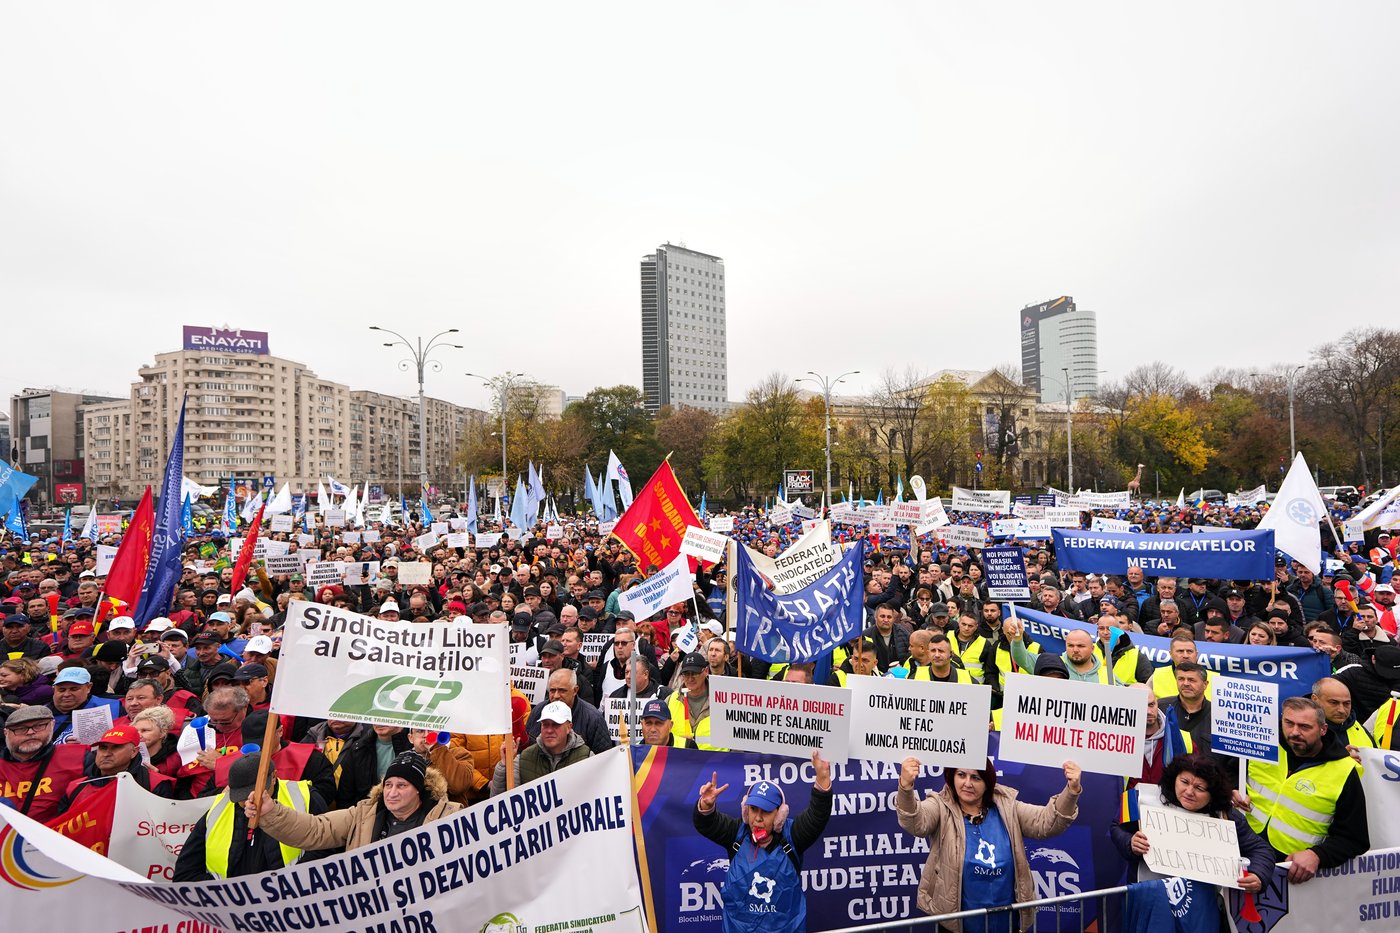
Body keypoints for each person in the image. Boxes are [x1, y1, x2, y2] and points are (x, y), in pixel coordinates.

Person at [896, 755, 1081, 932]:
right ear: (952, 777)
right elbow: (916, 823)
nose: (967, 783)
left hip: (1007, 923)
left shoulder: (1008, 807)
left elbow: (1047, 823)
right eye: (961, 775)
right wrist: (906, 787)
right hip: (957, 926)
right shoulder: (940, 805)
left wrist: (1071, 791)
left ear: (987, 783)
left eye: (975, 777)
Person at [1112, 753, 1273, 930]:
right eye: (1184, 782)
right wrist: (1130, 843)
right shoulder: (1140, 799)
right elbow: (1116, 827)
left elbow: (1260, 849)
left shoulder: (1226, 815)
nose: (1189, 792)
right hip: (1150, 901)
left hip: (1201, 909)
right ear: (1174, 778)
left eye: (1200, 788)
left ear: (1213, 794)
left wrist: (1258, 874)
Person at [693, 751, 833, 933]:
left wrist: (822, 778)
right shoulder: (737, 833)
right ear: (745, 810)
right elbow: (707, 823)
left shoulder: (793, 836)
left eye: (765, 811)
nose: (757, 818)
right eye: (753, 809)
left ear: (779, 815)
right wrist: (706, 805)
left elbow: (818, 815)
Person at [1235, 696, 1369, 882]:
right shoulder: (1263, 745)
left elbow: (1354, 839)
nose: (1294, 732)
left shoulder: (1344, 770)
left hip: (1290, 871)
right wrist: (1231, 790)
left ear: (1323, 729)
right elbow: (1226, 774)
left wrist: (1318, 855)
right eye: (1288, 723)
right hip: (1241, 852)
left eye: (1305, 727)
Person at [247, 750, 460, 851]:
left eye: (402, 786)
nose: (392, 792)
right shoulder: (363, 813)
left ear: (419, 791)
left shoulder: (450, 817)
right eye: (388, 784)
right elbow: (315, 829)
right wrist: (270, 811)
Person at [173, 752, 318, 881]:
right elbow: (185, 874)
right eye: (241, 796)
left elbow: (327, 850)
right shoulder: (217, 809)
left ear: (274, 777)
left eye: (256, 792)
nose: (249, 799)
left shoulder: (304, 796)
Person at [0, 705, 88, 821]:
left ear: (52, 725)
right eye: (20, 728)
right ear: (6, 733)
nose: (30, 732)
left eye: (39, 726)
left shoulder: (79, 756)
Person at [490, 700, 592, 793]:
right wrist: (504, 765)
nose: (549, 730)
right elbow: (501, 804)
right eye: (545, 724)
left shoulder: (587, 757)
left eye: (556, 724)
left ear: (569, 727)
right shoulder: (524, 760)